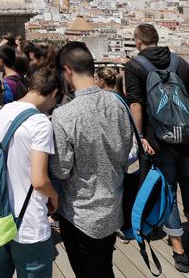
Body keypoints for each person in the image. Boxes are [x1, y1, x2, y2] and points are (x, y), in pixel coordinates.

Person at [124, 24, 189, 272]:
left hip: (158, 139)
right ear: (157, 39)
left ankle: (178, 249)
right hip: (187, 137)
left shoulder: (135, 66)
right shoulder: (181, 63)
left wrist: (139, 136)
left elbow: (136, 104)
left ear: (138, 42)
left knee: (167, 188)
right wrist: (186, 127)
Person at [50, 43, 132, 278]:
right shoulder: (117, 103)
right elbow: (126, 149)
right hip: (113, 208)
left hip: (80, 216)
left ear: (67, 70)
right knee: (105, 267)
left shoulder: (64, 115)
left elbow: (61, 170)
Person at [0, 65, 62, 278]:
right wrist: (54, 196)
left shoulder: (4, 111)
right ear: (54, 93)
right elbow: (39, 180)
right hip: (28, 222)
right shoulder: (40, 123)